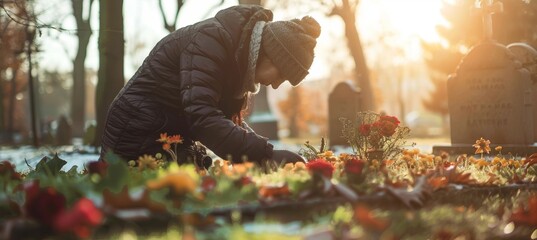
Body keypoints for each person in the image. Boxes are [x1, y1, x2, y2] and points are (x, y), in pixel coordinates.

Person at [99, 5, 321, 167]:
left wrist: (263, 153)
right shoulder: (211, 42)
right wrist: (265, 154)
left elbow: (223, 121)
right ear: (270, 55)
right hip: (138, 131)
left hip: (165, 133)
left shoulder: (237, 55)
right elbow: (202, 117)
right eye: (281, 75)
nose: (275, 85)